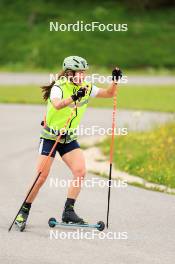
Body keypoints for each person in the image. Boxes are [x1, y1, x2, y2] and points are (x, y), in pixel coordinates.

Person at [15, 55, 122, 230]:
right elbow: (57, 105)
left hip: (68, 138)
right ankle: (23, 211)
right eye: (79, 72)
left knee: (80, 171)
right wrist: (74, 97)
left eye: (84, 72)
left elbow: (109, 94)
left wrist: (115, 80)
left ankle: (68, 211)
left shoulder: (86, 87)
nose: (83, 76)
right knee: (41, 177)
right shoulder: (59, 87)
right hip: (50, 137)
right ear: (69, 73)